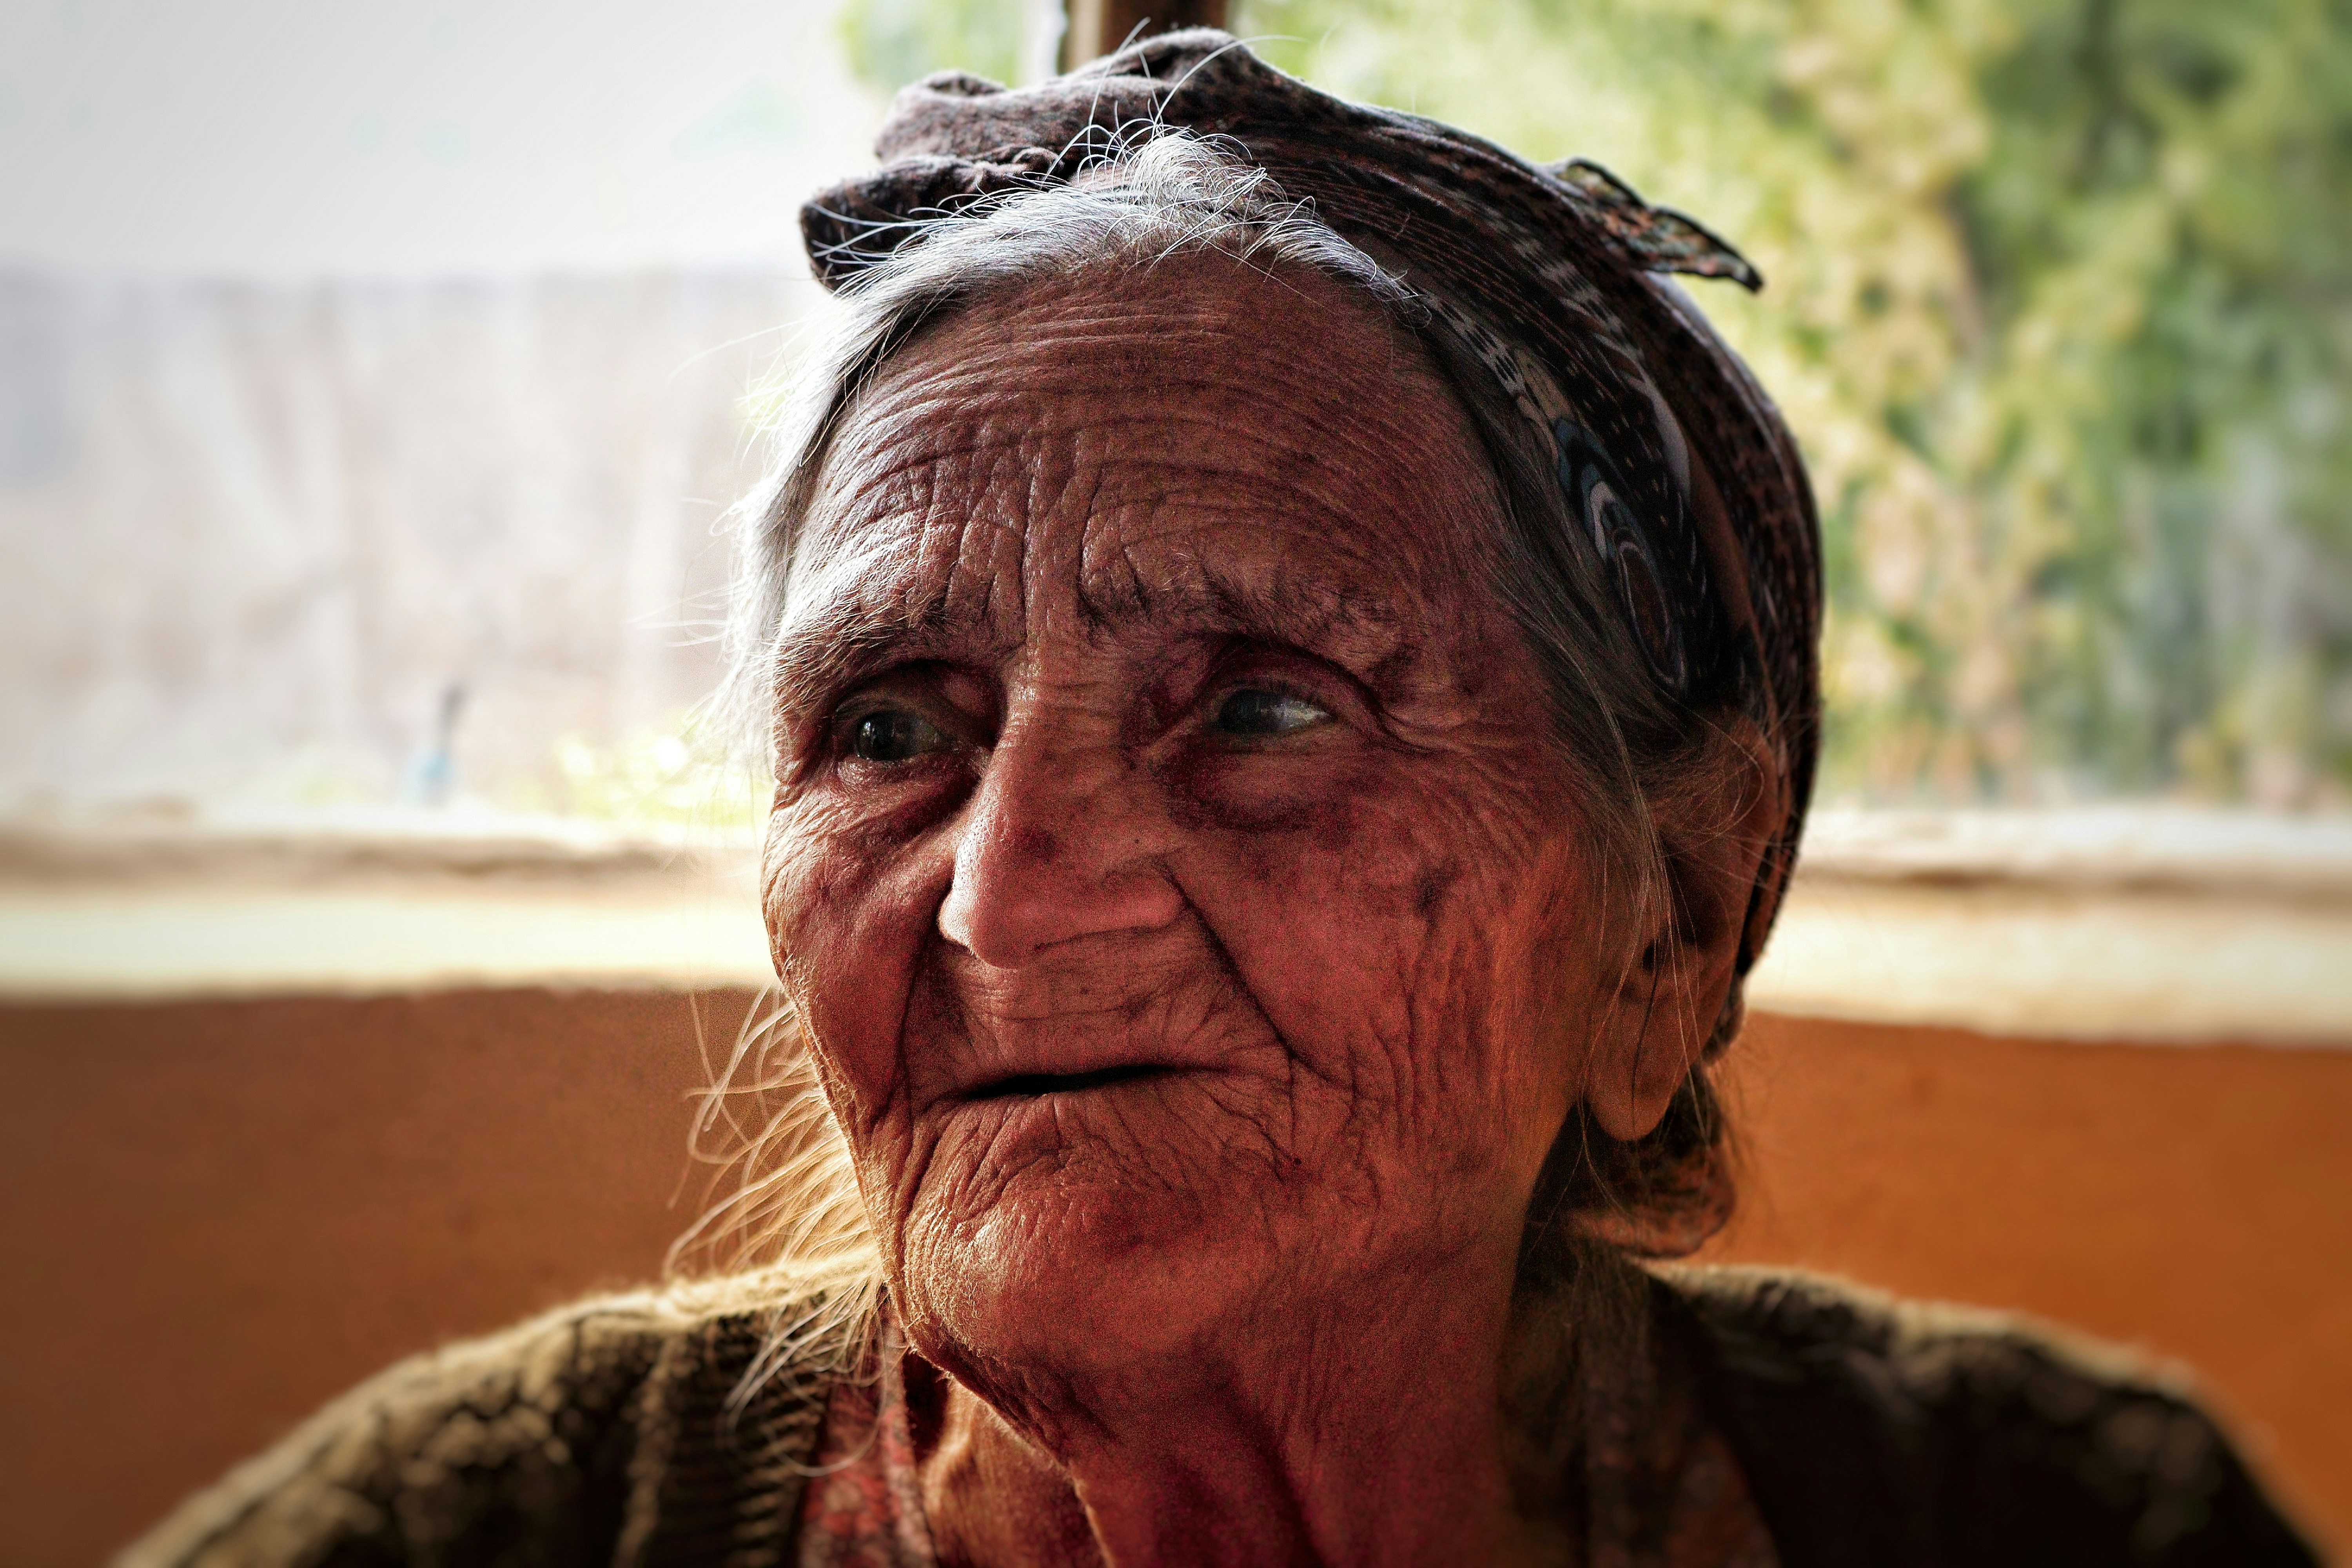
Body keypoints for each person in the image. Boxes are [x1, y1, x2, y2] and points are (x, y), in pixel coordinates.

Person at [127, 32, 2318, 1568]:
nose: (1006, 895)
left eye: (1264, 710)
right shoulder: (479, 1529)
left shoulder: (2043, 1523)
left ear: (1672, 917)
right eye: (888, 730)